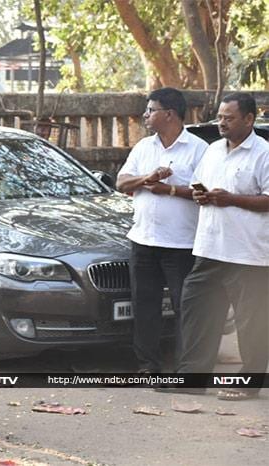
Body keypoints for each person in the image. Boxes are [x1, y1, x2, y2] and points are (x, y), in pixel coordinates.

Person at [174, 92, 269, 400]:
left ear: (249, 119)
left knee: (251, 322)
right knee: (197, 310)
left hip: (249, 253)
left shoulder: (264, 153)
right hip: (210, 248)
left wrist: (231, 199)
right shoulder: (213, 149)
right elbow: (196, 184)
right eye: (219, 117)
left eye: (228, 118)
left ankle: (249, 384)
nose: (221, 123)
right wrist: (200, 195)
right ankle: (191, 378)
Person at [116, 88, 208, 373]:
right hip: (143, 240)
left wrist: (168, 189)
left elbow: (205, 193)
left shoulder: (198, 149)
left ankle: (186, 370)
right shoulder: (144, 147)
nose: (145, 115)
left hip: (181, 243)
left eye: (151, 109)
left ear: (169, 114)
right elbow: (122, 183)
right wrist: (148, 178)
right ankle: (148, 367)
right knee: (144, 307)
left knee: (185, 309)